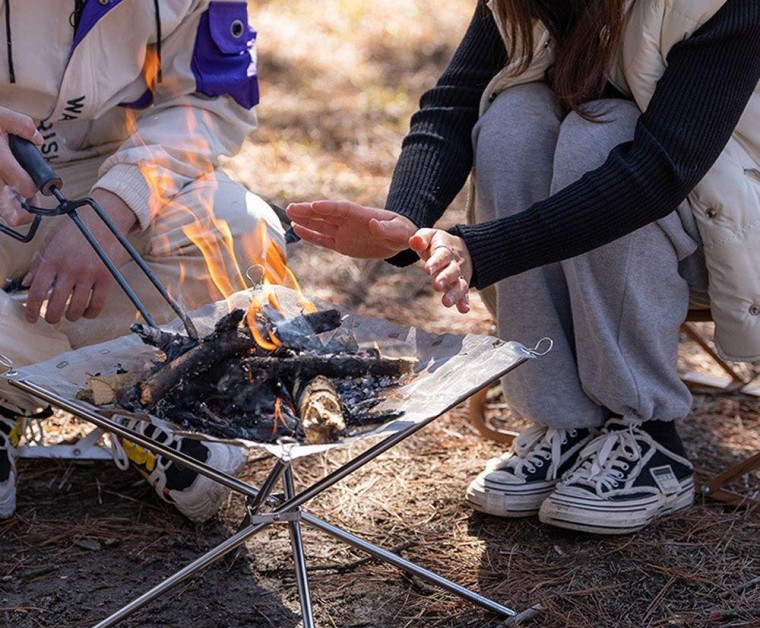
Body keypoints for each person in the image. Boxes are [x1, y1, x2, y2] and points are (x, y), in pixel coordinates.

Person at [287, 0, 760, 534]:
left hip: (728, 231)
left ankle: (647, 432)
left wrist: (482, 249)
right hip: (621, 212)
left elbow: (658, 171)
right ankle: (564, 422)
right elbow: (455, 102)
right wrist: (403, 221)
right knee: (515, 116)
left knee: (602, 133)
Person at [0, 1, 286, 522]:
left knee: (246, 237)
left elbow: (209, 99)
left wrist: (117, 207)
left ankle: (131, 392)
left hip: (112, 164)